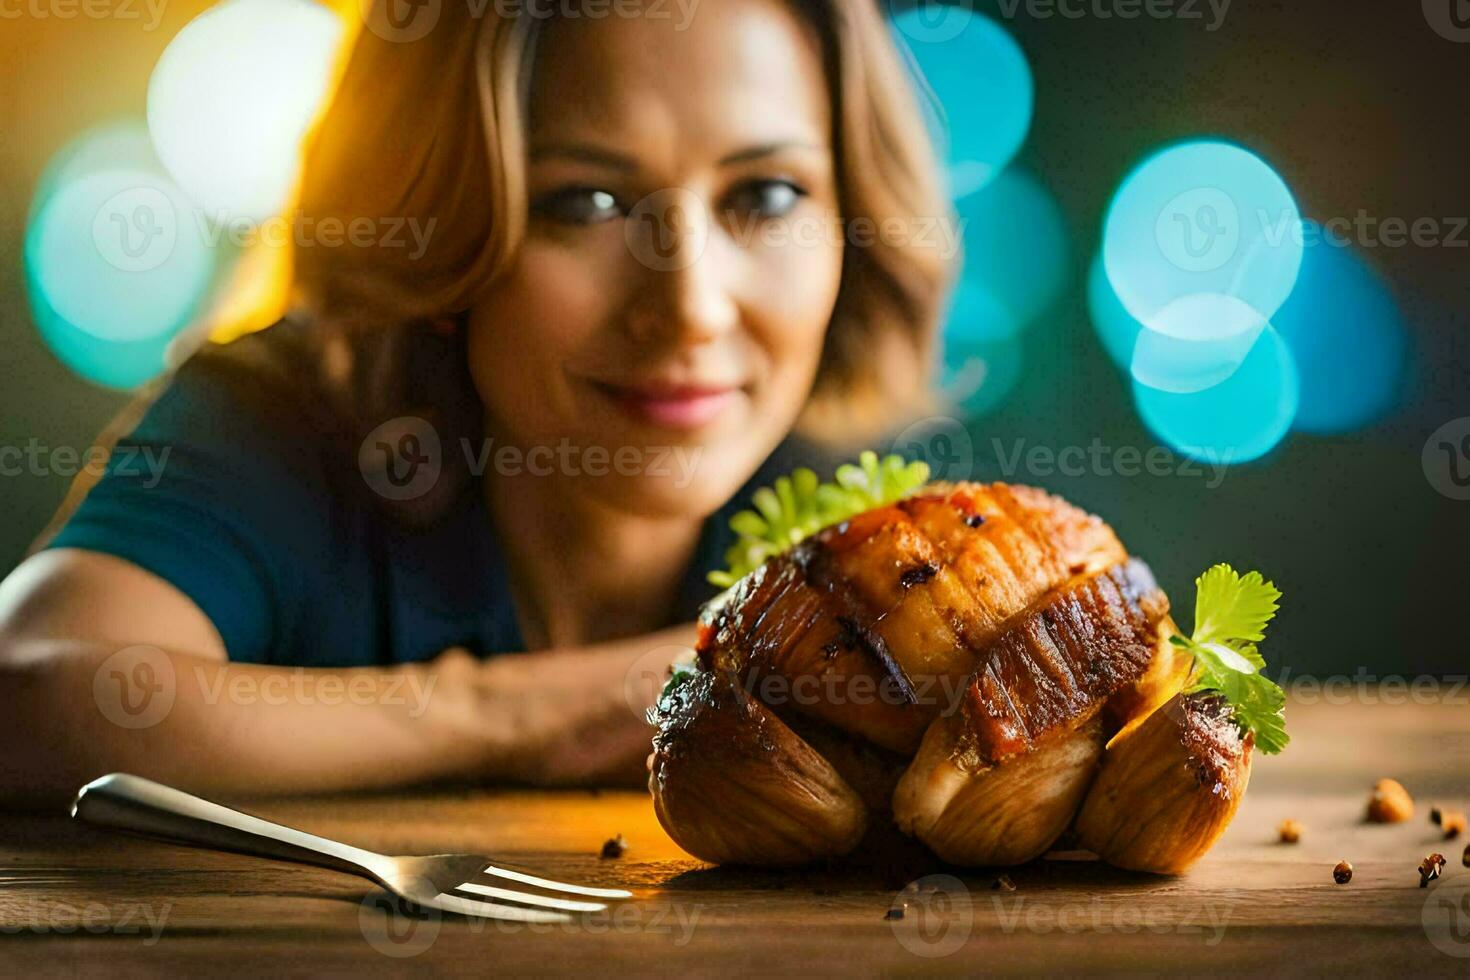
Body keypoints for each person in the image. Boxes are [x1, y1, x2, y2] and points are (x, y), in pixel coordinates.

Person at [0, 0, 951, 807]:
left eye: (768, 194)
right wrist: (535, 715)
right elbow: (29, 697)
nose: (691, 308)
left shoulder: (869, 522)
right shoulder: (283, 424)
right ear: (439, 232)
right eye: (585, 203)